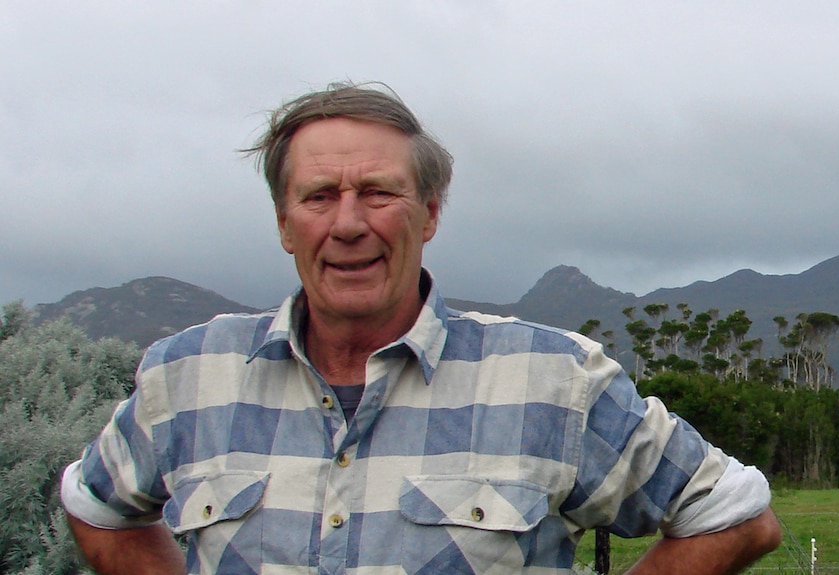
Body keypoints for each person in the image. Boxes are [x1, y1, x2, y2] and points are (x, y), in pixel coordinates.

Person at [61, 82, 781, 575]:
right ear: (284, 222)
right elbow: (96, 507)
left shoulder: (552, 379)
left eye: (378, 192)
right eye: (319, 196)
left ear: (429, 213)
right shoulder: (188, 373)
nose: (348, 223)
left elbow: (735, 514)